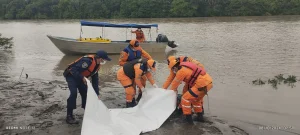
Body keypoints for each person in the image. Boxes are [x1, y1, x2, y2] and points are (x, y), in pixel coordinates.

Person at [63, 50, 112, 124]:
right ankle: (69, 116)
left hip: (80, 78)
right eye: (104, 59)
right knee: (73, 93)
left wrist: (97, 94)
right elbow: (73, 69)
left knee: (86, 93)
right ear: (100, 58)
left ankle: (87, 112)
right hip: (71, 76)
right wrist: (82, 77)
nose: (105, 61)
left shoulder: (97, 66)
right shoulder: (87, 61)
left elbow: (95, 81)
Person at [167, 59, 213, 124]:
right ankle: (200, 118)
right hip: (208, 83)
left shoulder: (181, 72)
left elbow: (174, 84)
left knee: (185, 99)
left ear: (174, 67)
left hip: (201, 84)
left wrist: (170, 93)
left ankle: (188, 120)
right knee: (196, 100)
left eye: (173, 70)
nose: (173, 71)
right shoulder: (185, 68)